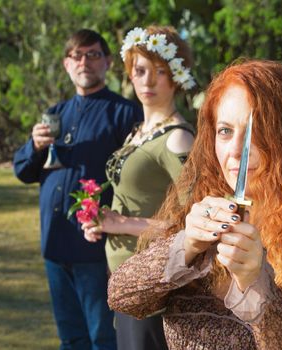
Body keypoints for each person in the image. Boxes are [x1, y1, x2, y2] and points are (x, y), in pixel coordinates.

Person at [107, 60, 282, 349]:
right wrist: (187, 246)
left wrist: (255, 288)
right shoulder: (206, 217)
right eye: (225, 131)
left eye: (256, 130)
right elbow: (122, 297)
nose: (236, 150)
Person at [13, 29, 142, 350]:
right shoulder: (55, 115)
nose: (85, 62)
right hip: (54, 244)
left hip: (94, 247)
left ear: (108, 63)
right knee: (71, 339)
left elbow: (138, 181)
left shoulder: (125, 114)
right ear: (66, 64)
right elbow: (23, 171)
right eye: (77, 55)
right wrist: (34, 146)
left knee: (103, 338)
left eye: (93, 54)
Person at [80, 25, 196, 350]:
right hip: (125, 281)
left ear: (176, 76)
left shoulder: (177, 138)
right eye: (140, 70)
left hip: (152, 287)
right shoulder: (140, 131)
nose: (148, 80)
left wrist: (123, 224)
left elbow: (196, 226)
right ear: (130, 73)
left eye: (160, 71)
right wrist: (104, 222)